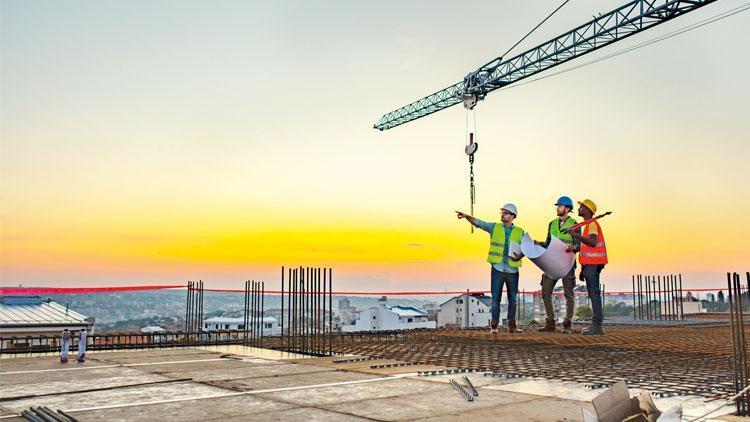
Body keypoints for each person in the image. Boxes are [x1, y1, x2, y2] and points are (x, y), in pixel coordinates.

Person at [456, 203, 525, 334]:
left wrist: (519, 256)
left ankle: (512, 326)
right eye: (502, 212)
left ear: (513, 216)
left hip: (512, 270)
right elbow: (479, 223)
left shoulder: (520, 232)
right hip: (497, 269)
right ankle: (494, 326)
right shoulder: (494, 227)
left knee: (513, 299)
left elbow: (527, 248)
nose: (502, 215)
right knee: (495, 299)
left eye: (505, 213)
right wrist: (466, 216)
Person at [536, 196, 580, 333]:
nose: (557, 208)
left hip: (567, 264)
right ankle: (550, 323)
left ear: (567, 209)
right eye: (557, 206)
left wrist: (574, 247)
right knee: (545, 291)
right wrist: (539, 244)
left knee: (568, 294)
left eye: (560, 206)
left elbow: (579, 245)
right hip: (552, 262)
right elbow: (548, 243)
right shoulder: (552, 224)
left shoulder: (575, 224)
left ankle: (567, 324)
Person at [569, 199, 608, 335]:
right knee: (593, 294)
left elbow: (592, 242)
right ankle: (597, 325)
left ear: (588, 210)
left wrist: (575, 234)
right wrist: (583, 269)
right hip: (589, 266)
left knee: (594, 294)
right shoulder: (588, 225)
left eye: (581, 207)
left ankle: (597, 325)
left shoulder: (592, 224)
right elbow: (586, 248)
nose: (579, 209)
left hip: (593, 264)